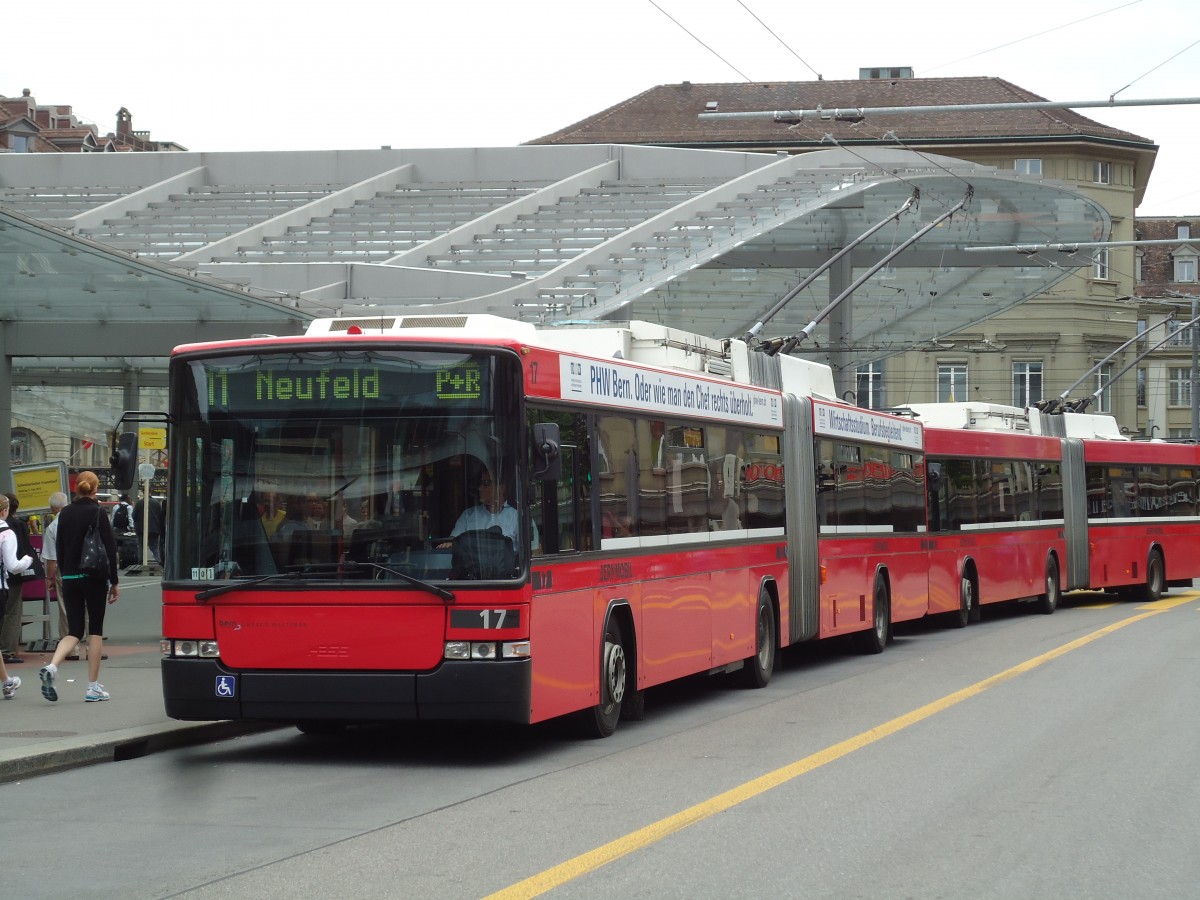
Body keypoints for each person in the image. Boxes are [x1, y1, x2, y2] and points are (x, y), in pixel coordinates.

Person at [40, 471, 120, 703]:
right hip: (93, 576)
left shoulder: (64, 514)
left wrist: (64, 573)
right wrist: (114, 582)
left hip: (71, 577)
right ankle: (93, 687)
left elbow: (59, 547)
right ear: (95, 489)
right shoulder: (97, 512)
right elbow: (109, 548)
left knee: (74, 630)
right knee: (94, 630)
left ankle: (53, 667)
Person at [438, 468, 537, 550]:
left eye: (486, 483)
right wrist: (448, 544)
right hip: (471, 572)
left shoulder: (519, 517)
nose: (480, 488)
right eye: (480, 483)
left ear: (501, 488)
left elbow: (532, 553)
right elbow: (453, 541)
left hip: (508, 573)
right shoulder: (468, 515)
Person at [0, 493, 33, 699]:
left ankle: (7, 682)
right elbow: (13, 566)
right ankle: (6, 682)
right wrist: (28, 560)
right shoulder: (6, 533)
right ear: (5, 510)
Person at [40, 491, 76, 650]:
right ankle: (91, 645)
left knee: (66, 607)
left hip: (65, 570)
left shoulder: (53, 527)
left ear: (53, 508)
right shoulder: (79, 519)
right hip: (85, 568)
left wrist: (49, 578)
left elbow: (51, 559)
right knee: (86, 607)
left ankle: (70, 648)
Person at [133, 493, 165, 566]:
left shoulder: (139, 503)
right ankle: (159, 561)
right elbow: (161, 516)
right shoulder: (157, 504)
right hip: (154, 528)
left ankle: (140, 561)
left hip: (141, 529)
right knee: (154, 546)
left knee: (141, 546)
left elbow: (134, 515)